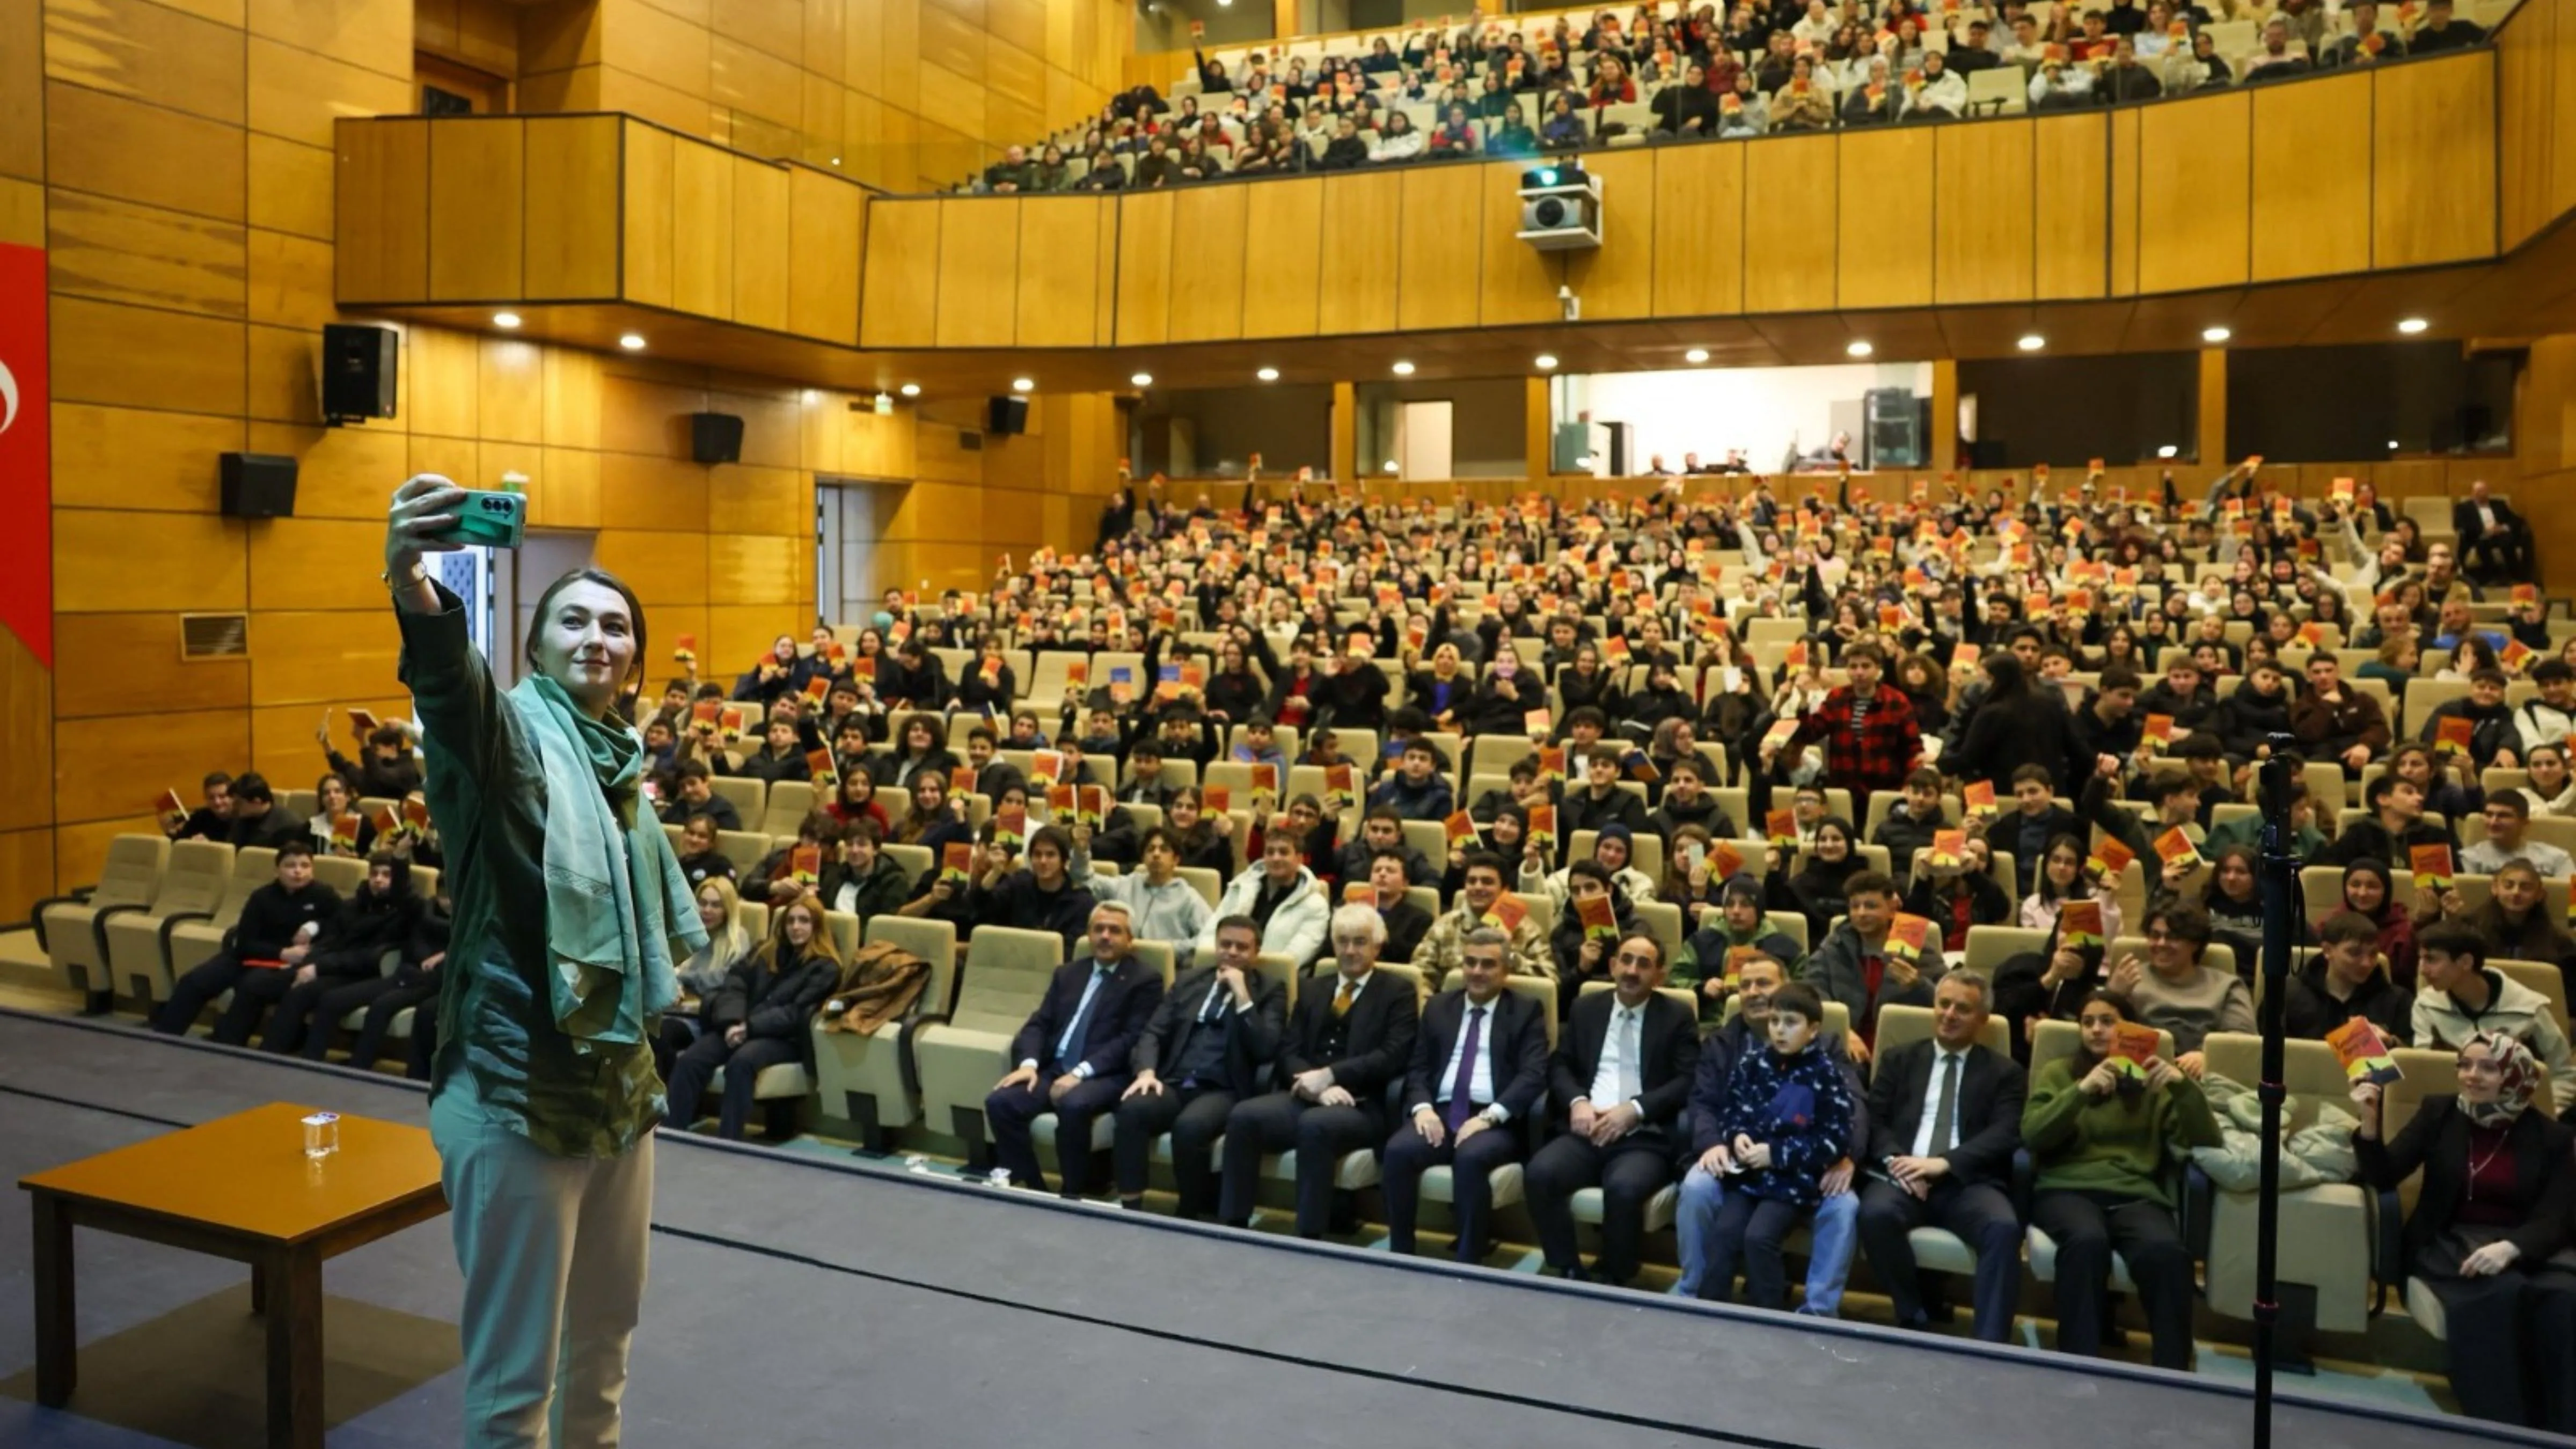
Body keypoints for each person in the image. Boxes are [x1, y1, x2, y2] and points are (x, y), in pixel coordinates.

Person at [384, 473, 711, 1449]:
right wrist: (408, 577)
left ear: (636, 663)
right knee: (515, 1384)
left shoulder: (622, 778)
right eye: (573, 620)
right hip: (514, 1087)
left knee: (602, 1355)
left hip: (616, 1091)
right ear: (534, 646)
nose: (596, 638)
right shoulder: (508, 742)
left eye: (615, 627)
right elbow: (449, 687)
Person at [2352, 1031, 2576, 1431]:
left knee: (2564, 1299)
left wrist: (2513, 1247)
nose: (2471, 1075)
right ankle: (2502, 1428)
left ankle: (2562, 1429)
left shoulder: (2553, 1137)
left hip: (2522, 1244)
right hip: (2449, 1241)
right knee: (2500, 1294)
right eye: (2465, 1065)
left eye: (2488, 1067)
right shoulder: (2439, 1113)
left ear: (2516, 1076)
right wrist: (2370, 1123)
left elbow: (2557, 1216)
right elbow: (2384, 1176)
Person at [2022, 988, 2222, 1370]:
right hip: (2067, 1189)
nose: (2096, 1030)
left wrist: (2182, 1088)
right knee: (2087, 1242)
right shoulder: (2060, 1072)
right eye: (2087, 1022)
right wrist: (2080, 1092)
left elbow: (2205, 1139)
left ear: (2128, 1028)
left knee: (2167, 1255)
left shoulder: (2153, 1082)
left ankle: (2173, 1371)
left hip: (2135, 1194)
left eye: (2107, 1021)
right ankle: (2077, 1366)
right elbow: (2033, 1134)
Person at [1674, 954, 1864, 1308]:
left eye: (1763, 983)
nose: (1753, 992)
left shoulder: (1827, 1060)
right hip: (1742, 1169)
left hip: (1797, 1176)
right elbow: (1716, 1105)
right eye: (1745, 985)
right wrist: (1725, 1139)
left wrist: (1846, 1156)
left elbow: (1849, 1115)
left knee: (1821, 1214)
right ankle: (1698, 1300)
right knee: (1708, 1205)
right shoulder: (1730, 1047)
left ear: (1812, 1027)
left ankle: (1806, 1313)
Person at [1219, 906, 1420, 1237]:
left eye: (1360, 942)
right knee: (1245, 1116)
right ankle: (1234, 1225)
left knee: (1316, 1126)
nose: (1350, 951)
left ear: (1377, 947)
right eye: (1342, 942)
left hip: (1363, 1102)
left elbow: (1392, 1056)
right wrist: (1314, 1086)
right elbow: (1289, 1050)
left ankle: (1309, 1236)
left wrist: (1332, 1076)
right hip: (1309, 1093)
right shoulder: (1313, 988)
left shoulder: (1397, 992)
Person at [1856, 971, 2029, 1341]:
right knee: (1874, 1214)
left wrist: (1945, 1163)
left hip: (1966, 1182)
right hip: (1902, 1176)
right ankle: (1912, 1315)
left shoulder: (2006, 1073)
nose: (1949, 1014)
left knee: (2003, 1229)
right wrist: (1897, 1163)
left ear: (1983, 1019)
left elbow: (2005, 1133)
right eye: (1943, 1004)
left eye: (1962, 1009)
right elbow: (1874, 1119)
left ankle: (1991, 1345)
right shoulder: (1900, 1059)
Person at [1524, 931, 1701, 1284]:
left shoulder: (1676, 1015)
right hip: (1585, 1128)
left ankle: (1617, 1276)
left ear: (1660, 975)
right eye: (1626, 961)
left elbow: (1687, 1080)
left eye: (1644, 964)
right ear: (1613, 965)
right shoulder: (1587, 1007)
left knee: (1623, 1188)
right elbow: (1561, 1064)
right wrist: (1578, 1102)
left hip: (1643, 1135)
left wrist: (1634, 1109)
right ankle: (1567, 1266)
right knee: (1540, 1174)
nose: (1633, 971)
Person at [1381, 928, 1550, 1262]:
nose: (1477, 971)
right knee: (1398, 1151)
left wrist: (1489, 1118)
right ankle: (1400, 1253)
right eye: (1470, 962)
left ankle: (1469, 1259)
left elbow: (1533, 1075)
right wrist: (1422, 1109)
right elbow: (1417, 1067)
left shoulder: (1527, 1010)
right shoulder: (1440, 1006)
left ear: (1505, 970)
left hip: (1495, 1119)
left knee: (1471, 1158)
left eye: (1488, 965)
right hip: (1441, 1111)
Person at [984, 902, 1166, 1197]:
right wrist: (1028, 1065)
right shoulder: (1068, 974)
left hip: (1107, 1074)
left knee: (1073, 1104)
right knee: (1001, 1103)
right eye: (1099, 929)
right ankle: (1032, 1189)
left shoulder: (1145, 980)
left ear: (1130, 940)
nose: (1105, 936)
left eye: (1115, 931)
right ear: (1089, 935)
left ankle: (1072, 1193)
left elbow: (1132, 1039)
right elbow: (1038, 1024)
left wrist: (1080, 1073)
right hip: (1054, 1068)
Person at [1113, 914, 1286, 1218]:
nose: (1232, 952)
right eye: (1225, 945)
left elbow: (1265, 1047)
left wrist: (1242, 995)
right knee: (1132, 1109)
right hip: (1174, 1079)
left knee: (1189, 1128)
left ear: (1256, 952)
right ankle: (1131, 1207)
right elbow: (1153, 1032)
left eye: (1242, 947)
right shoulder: (1189, 980)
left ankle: (1191, 1214)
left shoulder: (1271, 990)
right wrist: (1147, 1071)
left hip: (1224, 1087)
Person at [663, 893, 840, 1140]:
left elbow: (795, 1013)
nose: (796, 927)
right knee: (691, 1060)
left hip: (784, 1039)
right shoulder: (764, 951)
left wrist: (749, 1027)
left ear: (817, 927)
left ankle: (728, 1142)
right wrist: (734, 1021)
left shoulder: (826, 967)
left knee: (741, 1064)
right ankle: (673, 1134)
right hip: (739, 1025)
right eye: (791, 921)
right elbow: (734, 985)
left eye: (804, 921)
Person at [149, 838, 341, 1035]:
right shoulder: (262, 897)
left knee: (250, 988)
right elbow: (244, 943)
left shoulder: (324, 895)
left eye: (305, 866)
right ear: (277, 871)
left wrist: (315, 926)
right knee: (195, 981)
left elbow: (341, 924)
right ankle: (165, 1036)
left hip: (287, 964)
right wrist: (281, 952)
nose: (298, 872)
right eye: (290, 866)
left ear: (313, 870)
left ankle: (226, 1044)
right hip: (254, 954)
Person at [2412, 923, 2576, 1114]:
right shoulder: (2426, 1005)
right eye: (2421, 959)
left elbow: (2562, 1075)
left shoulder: (2529, 1009)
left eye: (2431, 960)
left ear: (2465, 962)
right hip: (2453, 1116)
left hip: (2520, 1117)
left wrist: (2546, 1115)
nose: (2423, 970)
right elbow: (2423, 1074)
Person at [2106, 905, 2253, 1071]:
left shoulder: (2227, 985)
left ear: (2195, 944)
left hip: (2203, 1074)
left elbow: (2243, 1039)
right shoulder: (2127, 978)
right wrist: (2112, 996)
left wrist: (2206, 1055)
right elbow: (2097, 1031)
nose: (2161, 944)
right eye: (2155, 936)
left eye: (2172, 937)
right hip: (2140, 1070)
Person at [656, 877, 752, 1079]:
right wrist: (675, 982)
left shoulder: (738, 939)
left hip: (701, 1021)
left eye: (716, 905)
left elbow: (724, 979)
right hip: (670, 1012)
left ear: (728, 909)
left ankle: (666, 1104)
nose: (707, 910)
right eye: (703, 903)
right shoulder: (685, 936)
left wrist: (683, 977)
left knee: (661, 1034)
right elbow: (666, 972)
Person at [1198, 830, 1332, 967]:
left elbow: (1293, 958)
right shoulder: (1241, 887)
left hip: (1272, 981)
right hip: (1223, 966)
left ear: (1299, 859)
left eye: (1283, 852)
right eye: (1270, 852)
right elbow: (1212, 931)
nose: (1276, 858)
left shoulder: (1316, 905)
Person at [2283, 910, 2414, 1046]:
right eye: (2355, 953)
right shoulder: (2288, 996)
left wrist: (2391, 1042)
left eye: (2373, 954)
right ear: (2328, 951)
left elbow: (2415, 1055)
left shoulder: (2398, 1001)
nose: (2367, 963)